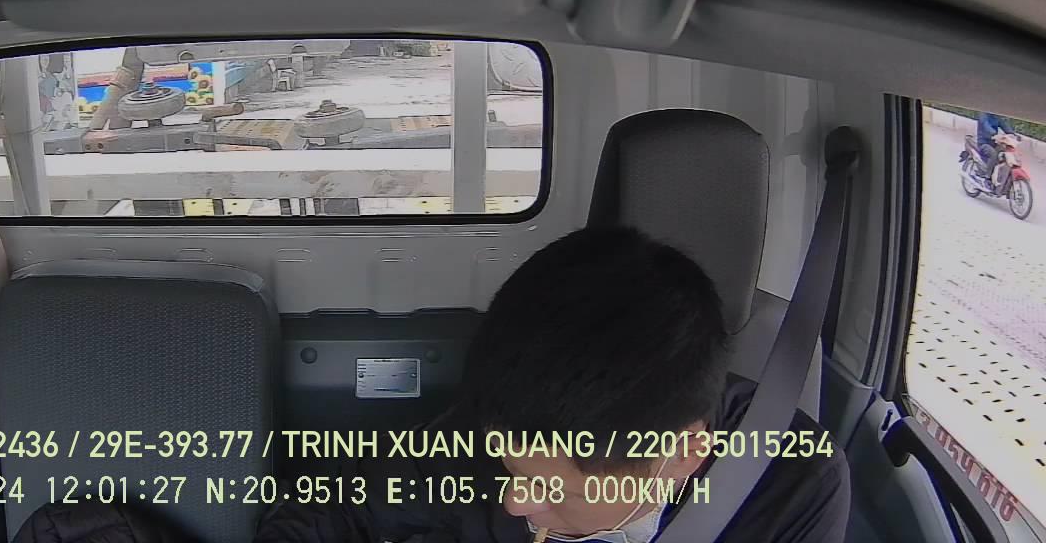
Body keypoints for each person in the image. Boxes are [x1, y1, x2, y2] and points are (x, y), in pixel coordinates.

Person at [255, 227, 850, 543]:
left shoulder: (792, 486)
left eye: (549, 488)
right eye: (512, 471)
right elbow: (327, 512)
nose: (516, 502)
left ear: (680, 454)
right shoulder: (489, 433)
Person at [976, 111, 1013, 178]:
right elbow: (985, 125)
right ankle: (987, 174)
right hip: (983, 143)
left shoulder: (996, 115)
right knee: (993, 154)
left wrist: (1013, 134)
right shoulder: (983, 114)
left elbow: (1003, 125)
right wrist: (994, 133)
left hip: (994, 142)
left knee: (1005, 151)